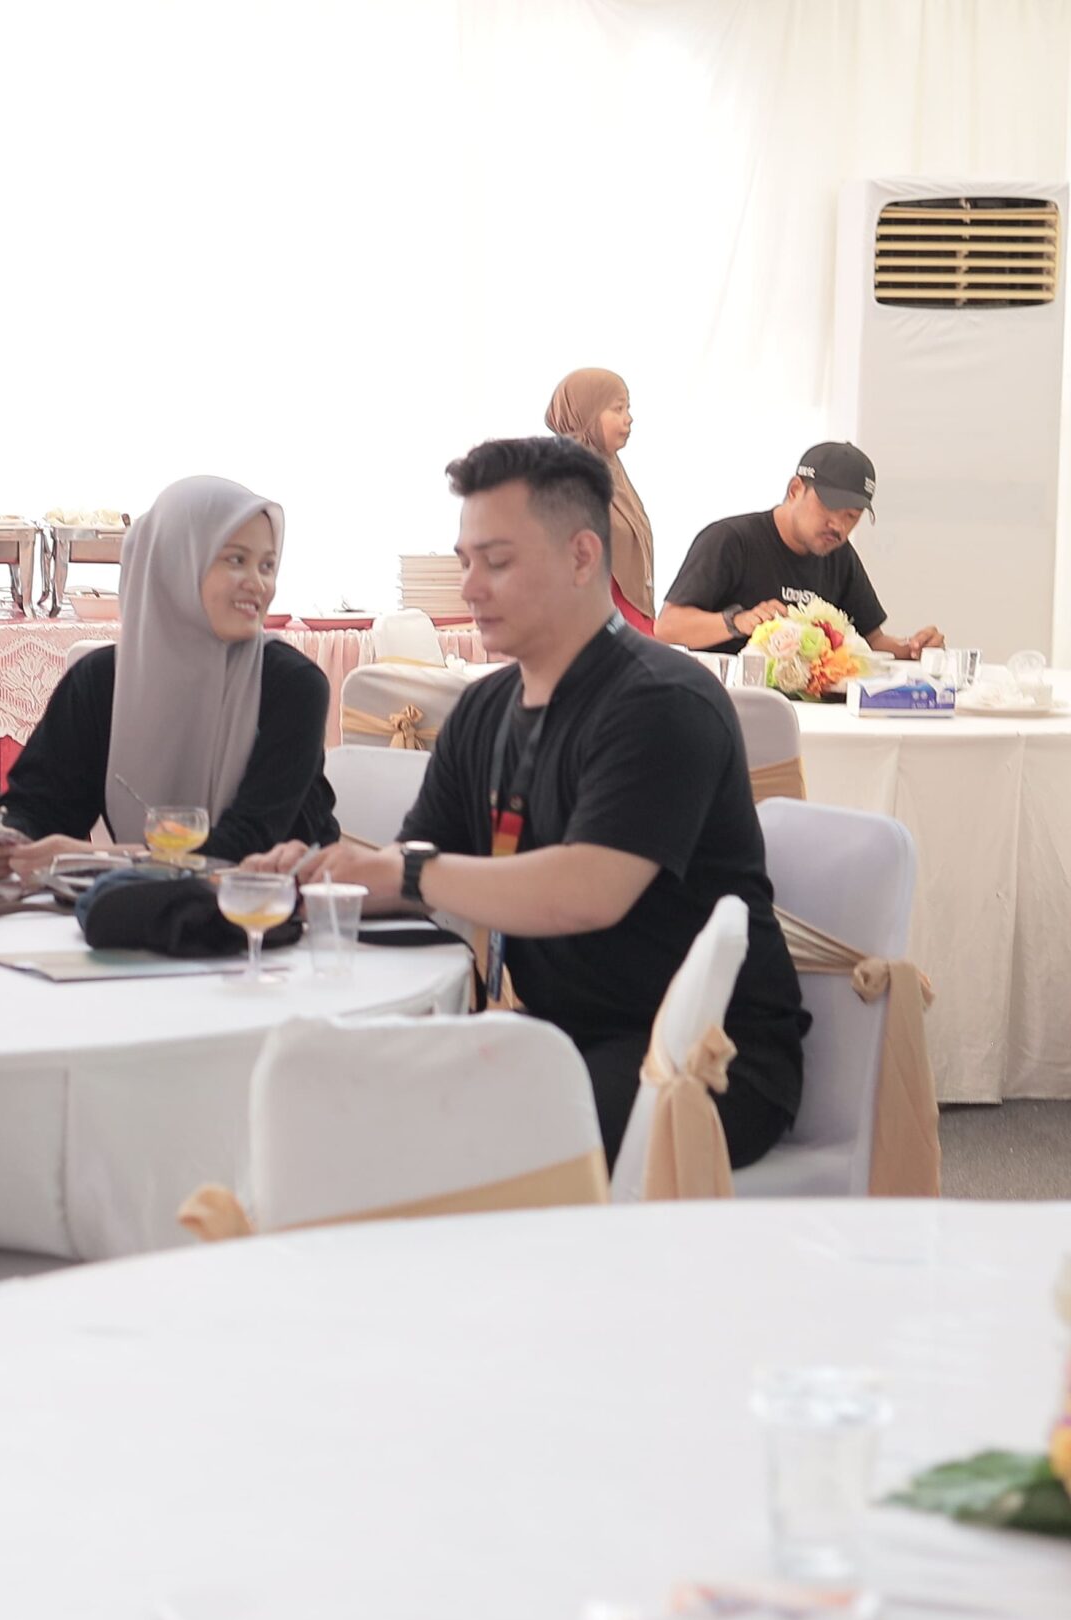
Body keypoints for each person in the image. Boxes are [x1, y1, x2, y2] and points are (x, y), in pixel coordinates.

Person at [243, 436, 806, 1168]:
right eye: (464, 562)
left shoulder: (661, 702)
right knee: (333, 1095)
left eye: (497, 562)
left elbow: (587, 891)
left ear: (581, 556)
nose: (470, 588)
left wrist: (402, 872)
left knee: (441, 1142)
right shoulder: (485, 710)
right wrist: (319, 876)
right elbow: (421, 863)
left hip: (706, 1055)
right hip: (557, 1032)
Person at [0, 476, 336, 879]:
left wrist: (99, 858)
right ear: (173, 564)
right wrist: (12, 841)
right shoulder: (100, 683)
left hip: (280, 907)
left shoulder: (293, 686)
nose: (258, 584)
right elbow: (40, 808)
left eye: (267, 565)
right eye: (236, 560)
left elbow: (246, 846)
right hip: (141, 906)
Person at [658, 443, 943, 659]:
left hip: (813, 711)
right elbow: (667, 628)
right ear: (795, 490)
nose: (838, 526)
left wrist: (914, 648)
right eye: (829, 507)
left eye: (851, 516)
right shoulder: (731, 540)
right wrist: (738, 622)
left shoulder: (840, 555)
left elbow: (872, 641)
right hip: (733, 704)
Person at [544, 368, 656, 635]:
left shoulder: (613, 473)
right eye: (617, 408)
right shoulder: (566, 478)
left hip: (629, 626)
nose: (628, 418)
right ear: (587, 412)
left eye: (628, 408)